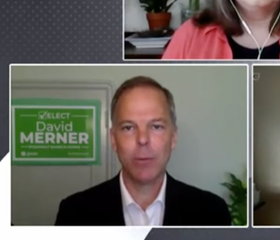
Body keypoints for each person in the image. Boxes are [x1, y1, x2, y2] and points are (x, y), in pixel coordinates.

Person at [54, 76, 231, 226]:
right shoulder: (74, 214)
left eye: (156, 126)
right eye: (128, 127)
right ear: (113, 139)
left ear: (174, 137)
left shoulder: (212, 213)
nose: (142, 139)